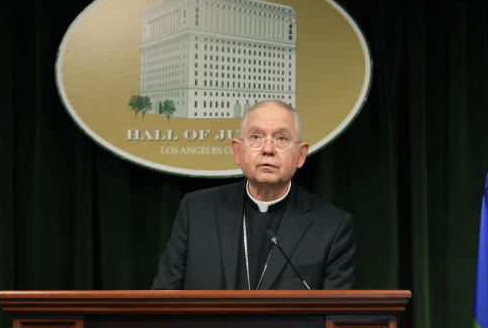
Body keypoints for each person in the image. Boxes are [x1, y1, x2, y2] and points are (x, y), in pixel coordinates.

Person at [152, 100, 355, 290]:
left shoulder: (332, 226)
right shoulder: (196, 210)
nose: (268, 149)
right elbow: (162, 299)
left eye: (281, 138)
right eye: (256, 137)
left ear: (301, 155)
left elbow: (338, 316)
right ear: (237, 151)